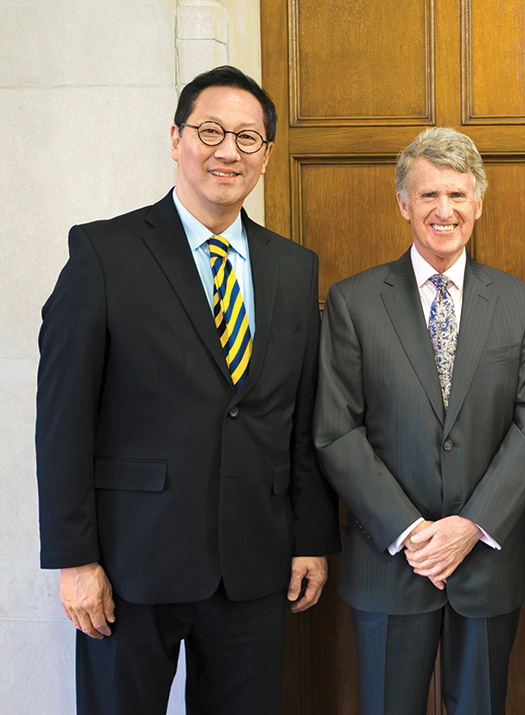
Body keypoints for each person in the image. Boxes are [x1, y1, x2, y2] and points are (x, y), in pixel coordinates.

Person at [35, 65, 340, 714]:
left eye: (247, 138)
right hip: (130, 563)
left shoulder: (293, 266)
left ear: (266, 154)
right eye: (210, 131)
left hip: (255, 565)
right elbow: (63, 419)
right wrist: (74, 560)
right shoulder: (104, 254)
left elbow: (302, 417)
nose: (228, 150)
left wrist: (311, 535)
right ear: (176, 138)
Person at [313, 127, 525, 715]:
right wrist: (411, 533)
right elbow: (337, 430)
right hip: (391, 560)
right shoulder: (355, 301)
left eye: (457, 196)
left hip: (486, 560)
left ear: (478, 203)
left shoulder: (521, 303)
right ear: (403, 204)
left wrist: (470, 526)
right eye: (428, 196)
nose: (443, 211)